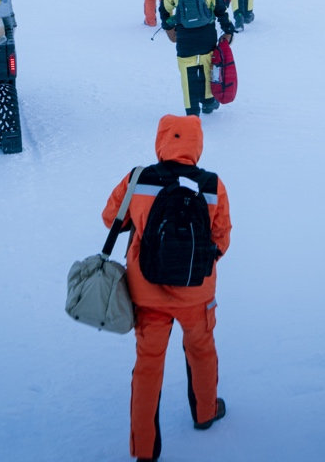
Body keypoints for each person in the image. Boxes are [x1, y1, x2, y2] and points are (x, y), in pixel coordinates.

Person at [102, 113, 232, 462]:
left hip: (147, 292)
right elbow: (222, 238)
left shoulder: (138, 178)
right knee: (202, 352)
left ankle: (144, 448)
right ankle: (205, 413)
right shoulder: (212, 184)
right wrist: (200, 264)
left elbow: (109, 217)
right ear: (196, 145)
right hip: (197, 293)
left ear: (161, 140)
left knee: (148, 365)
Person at [160, 0, 234, 115]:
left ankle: (192, 110)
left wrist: (169, 29)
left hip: (185, 37)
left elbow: (164, 11)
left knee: (187, 72)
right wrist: (228, 30)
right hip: (206, 34)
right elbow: (220, 9)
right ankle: (208, 102)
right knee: (207, 67)